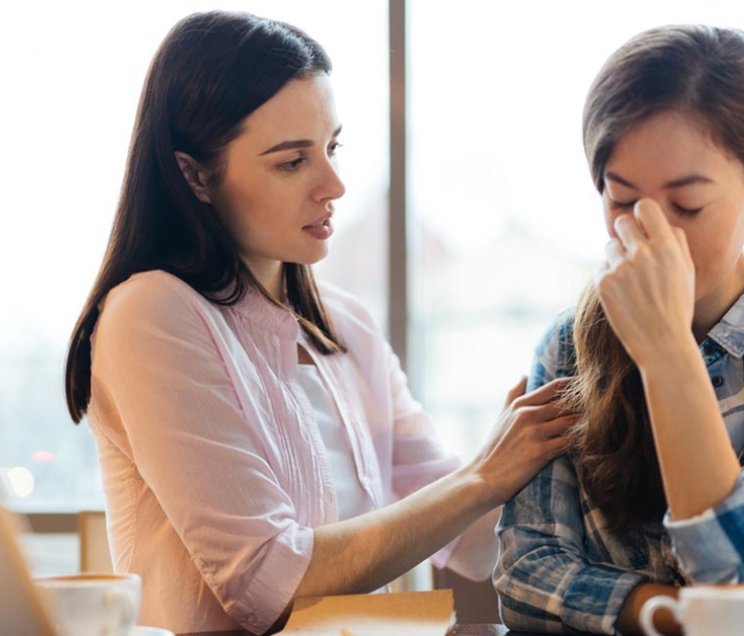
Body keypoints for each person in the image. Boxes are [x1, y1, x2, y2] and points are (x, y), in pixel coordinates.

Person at [63, 11, 575, 635]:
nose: (333, 184)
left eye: (331, 148)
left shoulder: (347, 327)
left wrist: (567, 436)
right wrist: (483, 476)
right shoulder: (152, 312)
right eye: (290, 162)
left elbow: (474, 543)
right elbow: (265, 582)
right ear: (195, 176)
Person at [493, 24, 744, 636]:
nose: (650, 232)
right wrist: (684, 613)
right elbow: (525, 580)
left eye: (686, 206)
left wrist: (667, 353)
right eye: (622, 201)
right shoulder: (567, 342)